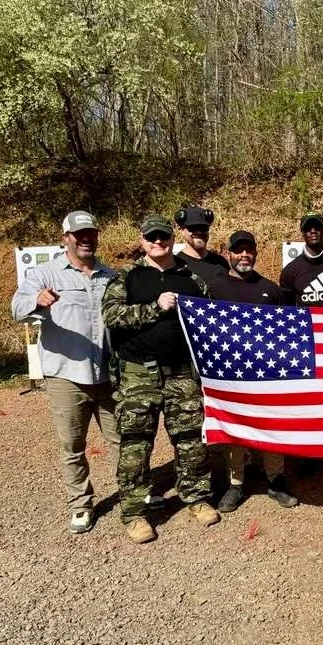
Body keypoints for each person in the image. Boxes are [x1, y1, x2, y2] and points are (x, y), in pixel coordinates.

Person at [101, 214, 220, 544]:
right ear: (142, 241)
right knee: (136, 446)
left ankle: (195, 498)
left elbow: (211, 322)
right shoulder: (126, 277)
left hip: (182, 374)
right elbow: (111, 316)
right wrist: (155, 307)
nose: (158, 242)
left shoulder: (192, 280)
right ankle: (135, 512)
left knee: (190, 441)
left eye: (163, 237)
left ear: (172, 239)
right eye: (151, 237)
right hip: (139, 375)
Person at [11, 210, 118, 535]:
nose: (86, 239)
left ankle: (133, 494)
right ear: (66, 238)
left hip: (108, 374)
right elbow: (17, 307)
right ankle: (81, 506)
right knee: (72, 446)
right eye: (79, 234)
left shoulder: (109, 275)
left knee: (123, 442)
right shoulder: (46, 274)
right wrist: (37, 301)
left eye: (91, 233)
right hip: (66, 376)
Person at [211, 230, 300, 513]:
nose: (244, 255)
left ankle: (276, 480)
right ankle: (236, 483)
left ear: (256, 254)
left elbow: (287, 330)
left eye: (249, 250)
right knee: (234, 426)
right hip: (228, 372)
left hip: (266, 373)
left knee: (271, 424)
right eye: (239, 250)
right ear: (229, 254)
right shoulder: (213, 288)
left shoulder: (270, 289)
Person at [174, 205, 229, 287]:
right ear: (181, 231)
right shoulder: (176, 265)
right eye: (193, 228)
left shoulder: (221, 263)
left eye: (203, 228)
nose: (199, 232)